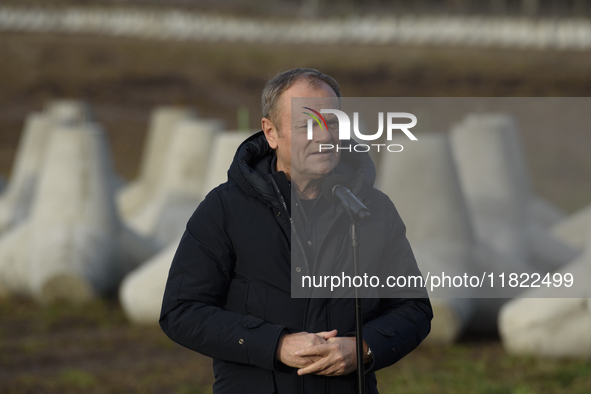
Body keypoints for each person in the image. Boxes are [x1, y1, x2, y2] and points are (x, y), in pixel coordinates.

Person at [159, 68, 432, 394]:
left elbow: (413, 308)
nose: (324, 136)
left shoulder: (374, 210)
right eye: (307, 125)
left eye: (331, 123)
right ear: (271, 133)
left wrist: (362, 348)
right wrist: (275, 344)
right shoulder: (225, 209)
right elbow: (182, 310)